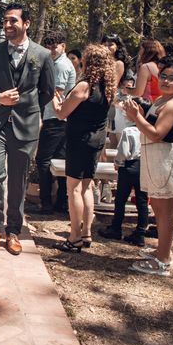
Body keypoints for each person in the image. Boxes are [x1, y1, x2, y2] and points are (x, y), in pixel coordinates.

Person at [0, 3, 54, 256]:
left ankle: (14, 231)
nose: (7, 25)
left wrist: (29, 111)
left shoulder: (42, 55)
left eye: (12, 21)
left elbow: (47, 91)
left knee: (18, 180)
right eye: (5, 21)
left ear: (26, 23)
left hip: (25, 127)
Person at [124, 56, 173, 276]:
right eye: (163, 76)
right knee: (159, 208)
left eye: (171, 78)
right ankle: (161, 250)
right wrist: (141, 114)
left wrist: (136, 118)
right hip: (156, 159)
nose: (165, 80)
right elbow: (152, 126)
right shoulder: (163, 100)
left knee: (165, 212)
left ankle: (163, 259)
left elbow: (156, 134)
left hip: (165, 160)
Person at [51, 44, 117, 253]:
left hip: (80, 140)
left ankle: (74, 237)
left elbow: (62, 113)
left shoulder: (84, 87)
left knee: (74, 189)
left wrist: (54, 99)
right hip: (96, 140)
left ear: (87, 62)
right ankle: (86, 232)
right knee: (87, 186)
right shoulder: (108, 87)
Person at [28, 29, 76, 215]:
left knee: (43, 160)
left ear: (63, 46)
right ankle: (60, 202)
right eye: (48, 47)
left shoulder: (61, 66)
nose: (51, 50)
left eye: (54, 46)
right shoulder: (54, 62)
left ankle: (46, 203)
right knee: (59, 161)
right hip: (57, 118)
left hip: (56, 119)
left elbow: (55, 92)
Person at [97, 98, 150, 247]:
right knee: (142, 200)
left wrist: (117, 163)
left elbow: (123, 152)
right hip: (143, 166)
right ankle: (140, 233)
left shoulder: (129, 131)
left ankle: (116, 227)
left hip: (129, 167)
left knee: (120, 199)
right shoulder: (148, 129)